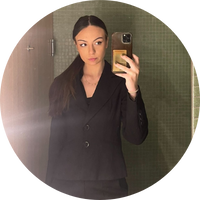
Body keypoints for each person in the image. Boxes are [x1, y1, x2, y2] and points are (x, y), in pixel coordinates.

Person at [45, 15, 148, 200]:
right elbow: (56, 141)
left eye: (98, 42)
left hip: (109, 182)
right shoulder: (61, 84)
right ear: (75, 44)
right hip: (66, 180)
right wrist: (49, 182)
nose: (91, 51)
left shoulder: (121, 83)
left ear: (107, 42)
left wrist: (133, 90)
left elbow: (136, 137)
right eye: (83, 44)